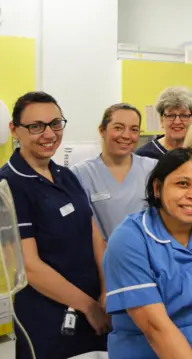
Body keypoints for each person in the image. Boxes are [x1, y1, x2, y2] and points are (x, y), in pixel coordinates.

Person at [103, 148, 192, 359]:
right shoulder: (129, 239)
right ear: (157, 188)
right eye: (182, 184)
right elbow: (156, 329)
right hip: (152, 350)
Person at [0, 92, 110, 359]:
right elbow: (30, 266)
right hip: (49, 316)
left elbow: (94, 234)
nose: (49, 134)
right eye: (36, 126)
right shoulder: (9, 184)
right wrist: (88, 307)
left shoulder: (65, 174)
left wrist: (107, 290)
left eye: (56, 123)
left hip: (95, 306)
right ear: (15, 130)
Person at [71, 103, 157, 239]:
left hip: (144, 255)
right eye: (118, 128)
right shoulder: (81, 174)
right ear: (102, 130)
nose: (126, 136)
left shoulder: (153, 169)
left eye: (134, 129)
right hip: (99, 256)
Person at [136, 86, 192, 159]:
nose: (177, 122)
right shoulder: (144, 155)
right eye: (171, 115)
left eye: (184, 115)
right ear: (161, 120)